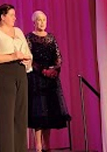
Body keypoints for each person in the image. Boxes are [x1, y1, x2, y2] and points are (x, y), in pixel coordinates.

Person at [0, 4, 32, 152]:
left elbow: (26, 51)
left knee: (20, 114)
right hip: (4, 74)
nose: (15, 17)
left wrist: (27, 59)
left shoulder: (18, 31)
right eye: (11, 15)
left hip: (20, 72)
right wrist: (12, 56)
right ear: (3, 16)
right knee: (5, 115)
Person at [26, 10, 71, 152]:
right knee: (38, 113)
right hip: (36, 79)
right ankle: (38, 145)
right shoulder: (29, 38)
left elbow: (58, 57)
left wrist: (55, 70)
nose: (42, 22)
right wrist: (43, 70)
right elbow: (29, 58)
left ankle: (47, 145)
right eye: (39, 20)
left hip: (51, 80)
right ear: (34, 22)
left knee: (49, 113)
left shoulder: (51, 38)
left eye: (44, 20)